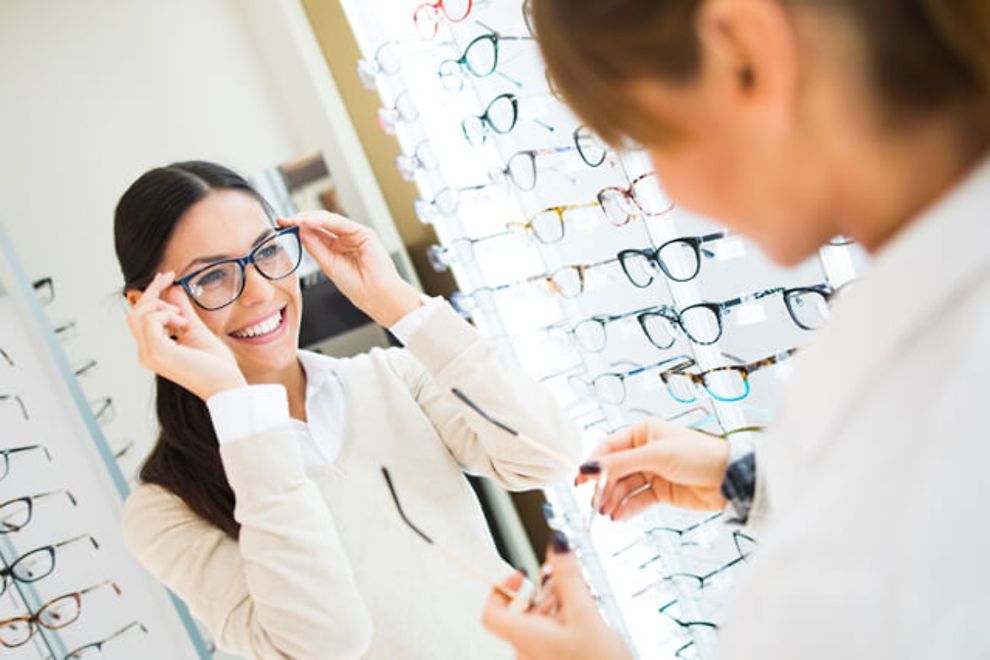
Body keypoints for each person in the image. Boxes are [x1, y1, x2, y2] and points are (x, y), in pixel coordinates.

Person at [483, 0, 990, 658]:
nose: (666, 189)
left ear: (743, 53)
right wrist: (744, 480)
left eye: (648, 138)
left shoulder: (934, 399)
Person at [114, 161, 580, 659]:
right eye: (211, 277)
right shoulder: (164, 511)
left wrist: (397, 301)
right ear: (151, 305)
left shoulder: (390, 378)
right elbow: (324, 644)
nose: (259, 291)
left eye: (267, 251)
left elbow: (548, 454)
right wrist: (239, 408)